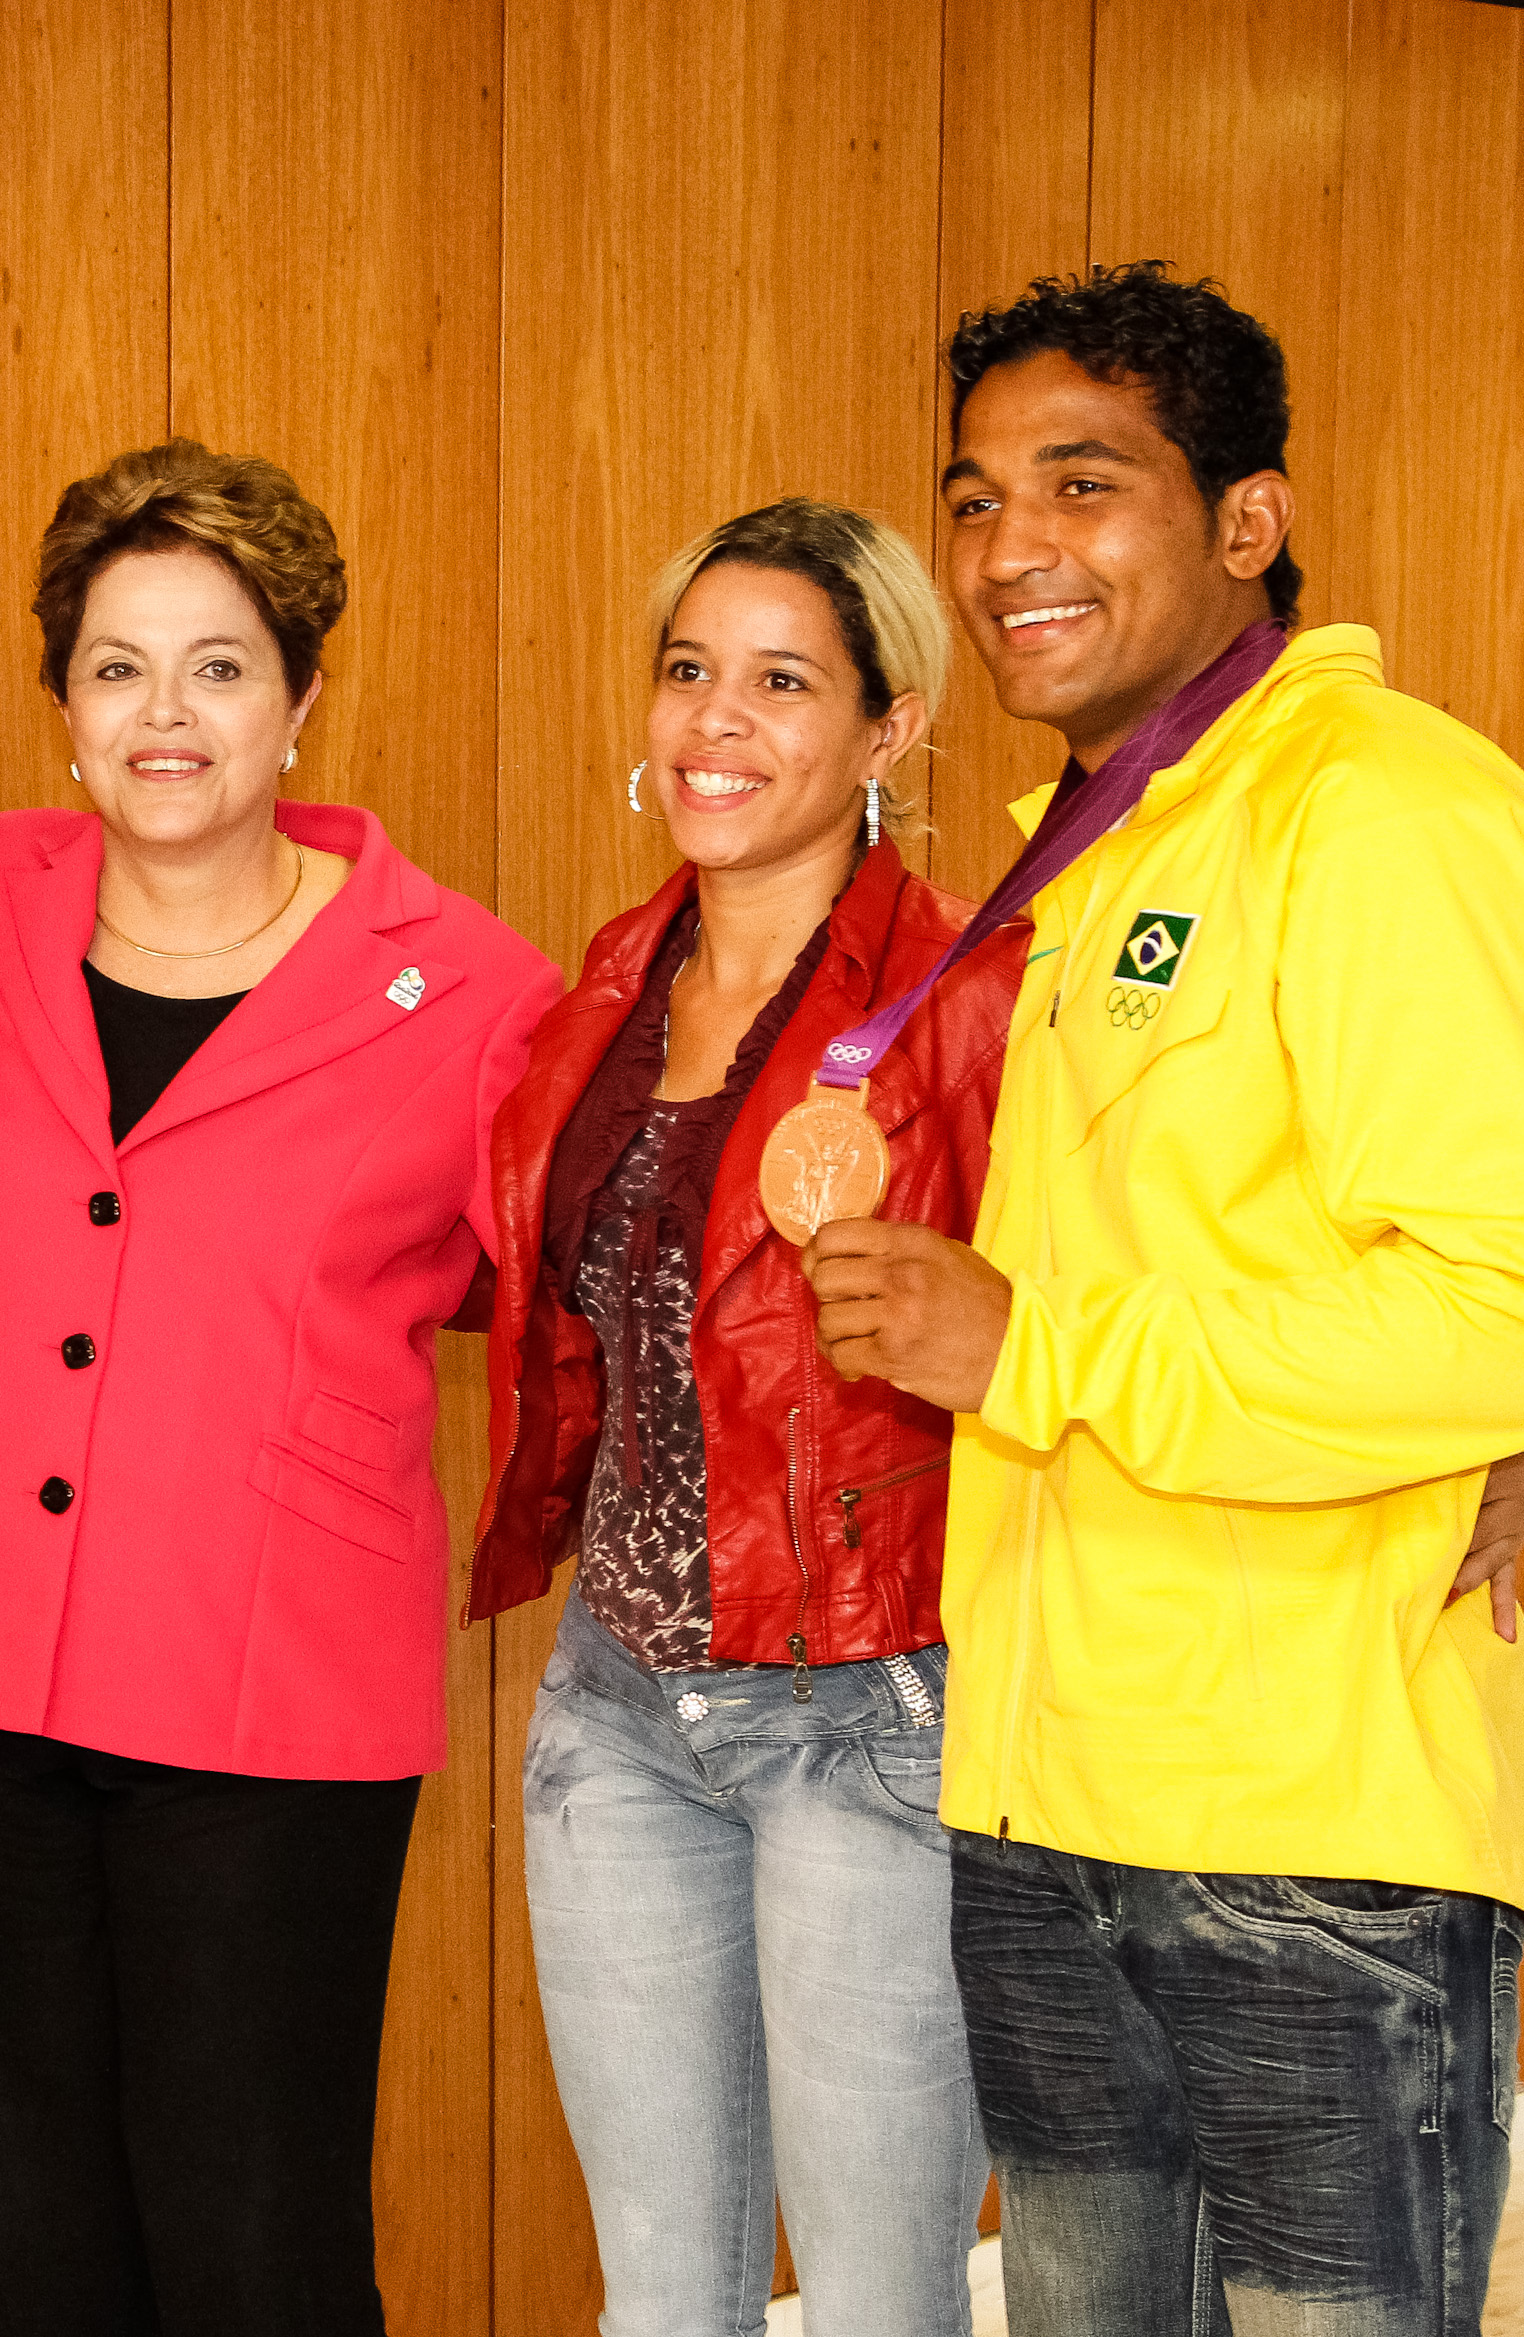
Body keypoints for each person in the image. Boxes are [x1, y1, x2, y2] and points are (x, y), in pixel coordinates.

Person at [809, 261, 1524, 2336]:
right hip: (1049, 1802)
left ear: (1243, 521)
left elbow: (1517, 1307)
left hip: (1304, 1835)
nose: (1007, 551)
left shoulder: (1387, 811)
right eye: (972, 499)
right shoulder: (1097, 843)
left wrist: (1030, 1345)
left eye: (1083, 483)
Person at [0, 439, 560, 2337]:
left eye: (216, 665)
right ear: (60, 707)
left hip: (270, 1706)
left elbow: (585, 1299)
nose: (162, 714)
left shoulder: (474, 993)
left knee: (251, 2243)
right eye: (115, 667)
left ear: (300, 699)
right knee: (36, 2237)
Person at [471, 500, 1007, 2334]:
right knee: (662, 2302)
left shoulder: (972, 1000)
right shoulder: (610, 986)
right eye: (688, 670)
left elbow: (1087, 1317)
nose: (713, 719)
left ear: (888, 729)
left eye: (781, 681)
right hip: (615, 1714)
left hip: (869, 1716)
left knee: (873, 2302)